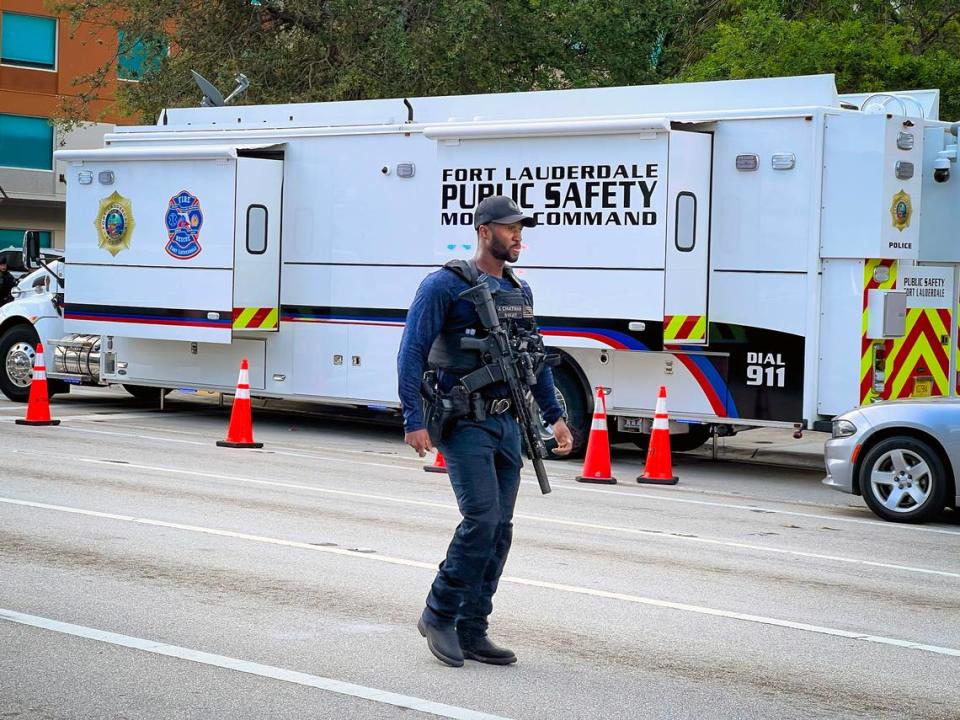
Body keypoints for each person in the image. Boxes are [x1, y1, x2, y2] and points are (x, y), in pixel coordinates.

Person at [397, 195, 573, 667]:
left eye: (521, 228)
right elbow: (411, 351)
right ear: (483, 231)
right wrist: (413, 419)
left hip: (506, 423)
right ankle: (438, 615)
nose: (518, 236)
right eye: (510, 228)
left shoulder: (520, 290)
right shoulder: (444, 285)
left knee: (501, 531)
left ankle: (473, 629)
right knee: (482, 520)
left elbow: (533, 359)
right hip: (463, 421)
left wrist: (554, 416)